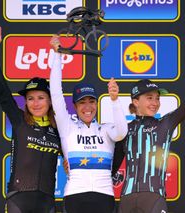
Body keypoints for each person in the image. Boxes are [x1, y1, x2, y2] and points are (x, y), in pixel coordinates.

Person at [112, 38, 185, 213]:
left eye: (157, 98)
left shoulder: (165, 123)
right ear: (135, 101)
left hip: (154, 197)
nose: (155, 102)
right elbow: (112, 166)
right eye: (149, 98)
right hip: (127, 199)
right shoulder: (125, 129)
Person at [0, 25, 61, 213]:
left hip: (47, 201)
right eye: (30, 98)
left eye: (41, 97)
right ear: (25, 102)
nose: (35, 103)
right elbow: (2, 91)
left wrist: (57, 54)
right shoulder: (19, 120)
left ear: (50, 101)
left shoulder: (59, 129)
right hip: (19, 198)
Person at [49, 35, 128, 213]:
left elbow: (122, 133)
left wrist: (115, 101)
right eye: (82, 102)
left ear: (97, 104)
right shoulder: (67, 126)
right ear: (75, 106)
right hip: (75, 195)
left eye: (91, 101)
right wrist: (57, 55)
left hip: (104, 194)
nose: (87, 107)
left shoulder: (106, 129)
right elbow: (55, 93)